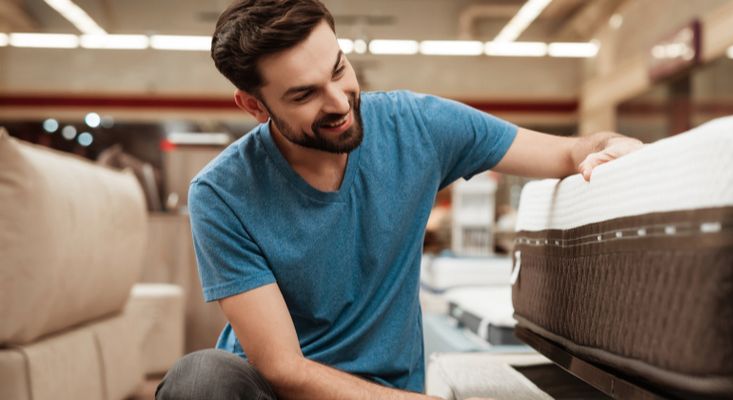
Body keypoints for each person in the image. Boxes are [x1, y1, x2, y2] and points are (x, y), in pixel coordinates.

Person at [155, 0, 643, 398]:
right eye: (305, 95)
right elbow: (283, 371)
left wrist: (609, 149)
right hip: (283, 395)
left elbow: (568, 151)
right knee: (200, 379)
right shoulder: (222, 193)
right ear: (254, 105)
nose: (340, 102)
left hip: (389, 392)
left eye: (339, 69)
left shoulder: (416, 126)